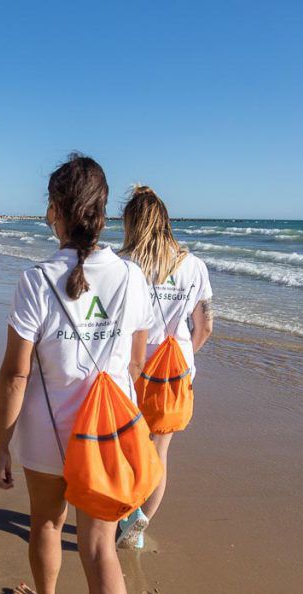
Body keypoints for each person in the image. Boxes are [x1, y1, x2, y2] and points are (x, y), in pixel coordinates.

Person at [0, 154, 153, 594]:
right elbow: (136, 362)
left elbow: (16, 374)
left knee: (45, 522)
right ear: (102, 214)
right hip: (105, 438)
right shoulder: (130, 276)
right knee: (101, 550)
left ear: (54, 211)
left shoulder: (37, 279)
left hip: (47, 434)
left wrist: (0, 446)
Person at [116, 185, 213, 548]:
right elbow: (204, 327)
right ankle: (139, 525)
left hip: (131, 367)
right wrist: (184, 360)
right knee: (160, 450)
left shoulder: (124, 265)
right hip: (176, 371)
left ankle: (125, 511)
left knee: (126, 447)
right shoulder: (195, 266)